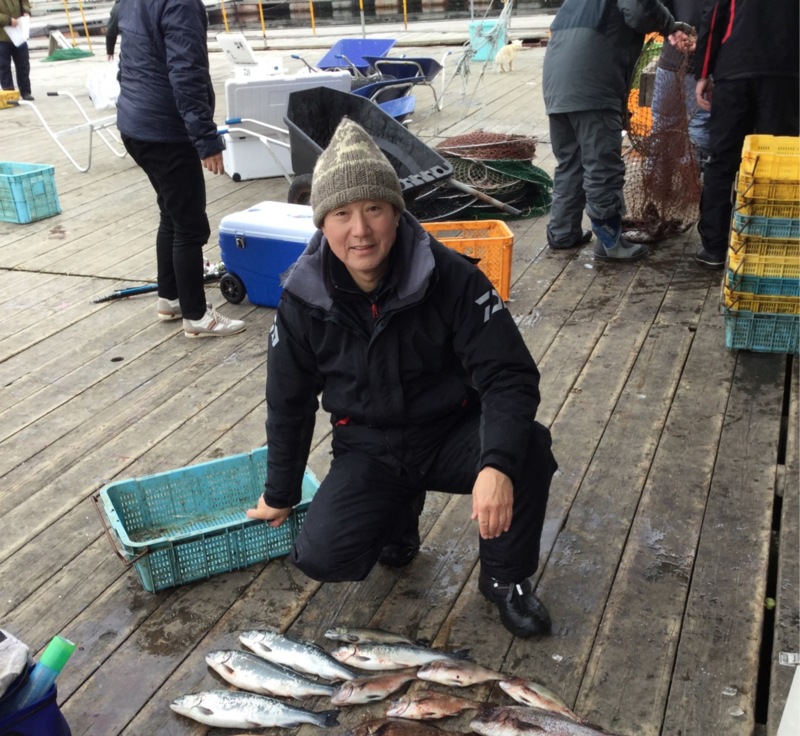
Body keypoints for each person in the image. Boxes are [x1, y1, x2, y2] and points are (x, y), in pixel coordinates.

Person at [247, 119, 558, 639]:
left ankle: (506, 578)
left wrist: (496, 464)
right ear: (321, 224)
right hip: (368, 446)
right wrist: (280, 493)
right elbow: (289, 402)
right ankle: (398, 517)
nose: (360, 229)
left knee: (526, 447)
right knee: (321, 555)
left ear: (396, 211)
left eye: (373, 209)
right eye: (342, 214)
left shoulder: (452, 276)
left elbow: (509, 374)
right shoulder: (302, 298)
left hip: (451, 433)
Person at [115, 0, 245, 337]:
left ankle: (170, 298)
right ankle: (198, 317)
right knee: (190, 226)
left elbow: (123, 48)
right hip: (166, 131)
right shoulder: (181, 4)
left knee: (171, 214)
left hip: (134, 124)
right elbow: (186, 72)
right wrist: (206, 140)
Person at [542, 0, 694, 261]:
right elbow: (639, 13)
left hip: (556, 83)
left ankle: (562, 232)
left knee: (570, 162)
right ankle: (610, 241)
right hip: (593, 84)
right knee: (602, 166)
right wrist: (670, 23)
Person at [693, 0, 800, 268]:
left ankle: (715, 247)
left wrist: (703, 73)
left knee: (722, 159)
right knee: (779, 163)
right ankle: (773, 244)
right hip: (785, 71)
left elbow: (714, 15)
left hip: (734, 68)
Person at [652, 0, 710, 165]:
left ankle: (661, 185)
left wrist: (671, 31)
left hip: (672, 61)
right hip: (696, 65)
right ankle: (692, 184)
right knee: (699, 124)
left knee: (662, 126)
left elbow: (655, 8)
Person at [0, 0, 33, 102]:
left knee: (23, 65)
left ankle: (26, 92)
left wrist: (25, 11)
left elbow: (25, 2)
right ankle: (9, 95)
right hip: (2, 37)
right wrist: (8, 20)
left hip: (19, 33)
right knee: (4, 67)